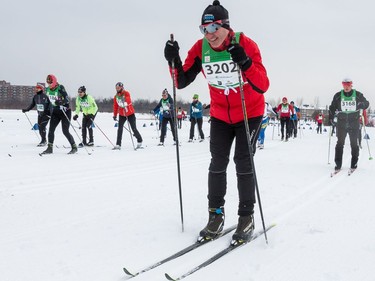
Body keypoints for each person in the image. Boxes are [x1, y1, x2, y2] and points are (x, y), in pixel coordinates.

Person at [164, 0, 269, 243]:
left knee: (243, 162)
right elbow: (181, 80)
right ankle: (216, 215)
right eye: (204, 29)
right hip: (221, 114)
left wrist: (245, 62)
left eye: (213, 29)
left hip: (248, 112)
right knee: (217, 163)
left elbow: (263, 85)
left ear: (225, 26)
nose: (209, 35)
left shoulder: (245, 43)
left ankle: (246, 217)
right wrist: (173, 61)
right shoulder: (201, 48)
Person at [329, 78, 369, 171]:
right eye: (344, 85)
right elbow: (332, 107)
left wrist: (361, 105)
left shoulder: (358, 95)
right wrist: (331, 117)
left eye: (348, 85)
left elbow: (366, 103)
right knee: (340, 143)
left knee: (354, 144)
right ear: (342, 85)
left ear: (351, 85)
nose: (346, 87)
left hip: (353, 122)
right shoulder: (338, 96)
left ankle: (354, 163)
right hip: (341, 122)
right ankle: (338, 164)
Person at [41, 74, 77, 154]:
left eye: (50, 83)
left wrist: (61, 101)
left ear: (54, 82)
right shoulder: (47, 90)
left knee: (65, 131)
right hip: (55, 112)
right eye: (48, 83)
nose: (49, 85)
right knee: (51, 130)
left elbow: (67, 99)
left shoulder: (60, 88)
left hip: (65, 111)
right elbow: (48, 101)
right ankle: (50, 148)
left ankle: (74, 146)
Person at [113, 82, 143, 150]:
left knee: (134, 129)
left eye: (118, 88)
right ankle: (118, 144)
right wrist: (115, 115)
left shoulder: (126, 93)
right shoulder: (116, 97)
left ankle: (139, 140)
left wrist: (125, 100)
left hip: (130, 114)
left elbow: (129, 101)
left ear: (122, 87)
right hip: (122, 115)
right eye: (116, 88)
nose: (117, 89)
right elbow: (115, 106)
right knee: (119, 129)